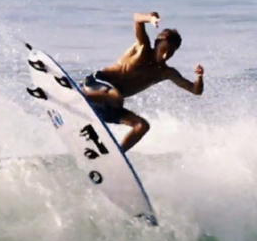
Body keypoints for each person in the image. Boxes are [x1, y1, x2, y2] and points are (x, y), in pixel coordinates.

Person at [81, 12, 204, 153]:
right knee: (115, 96)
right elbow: (136, 19)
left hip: (108, 103)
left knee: (142, 125)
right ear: (157, 43)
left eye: (171, 53)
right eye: (164, 50)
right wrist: (150, 18)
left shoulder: (166, 72)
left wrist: (199, 77)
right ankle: (78, 95)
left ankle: (118, 153)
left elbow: (196, 91)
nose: (165, 56)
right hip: (95, 84)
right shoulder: (143, 48)